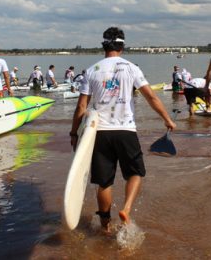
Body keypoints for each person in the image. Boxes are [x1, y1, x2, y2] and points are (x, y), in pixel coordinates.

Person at [70, 27, 176, 232]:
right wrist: (167, 119)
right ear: (121, 46)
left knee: (104, 182)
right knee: (136, 173)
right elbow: (151, 97)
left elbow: (81, 107)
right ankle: (126, 209)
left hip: (99, 133)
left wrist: (74, 133)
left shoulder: (92, 70)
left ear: (104, 46)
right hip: (126, 131)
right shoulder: (131, 68)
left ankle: (105, 227)